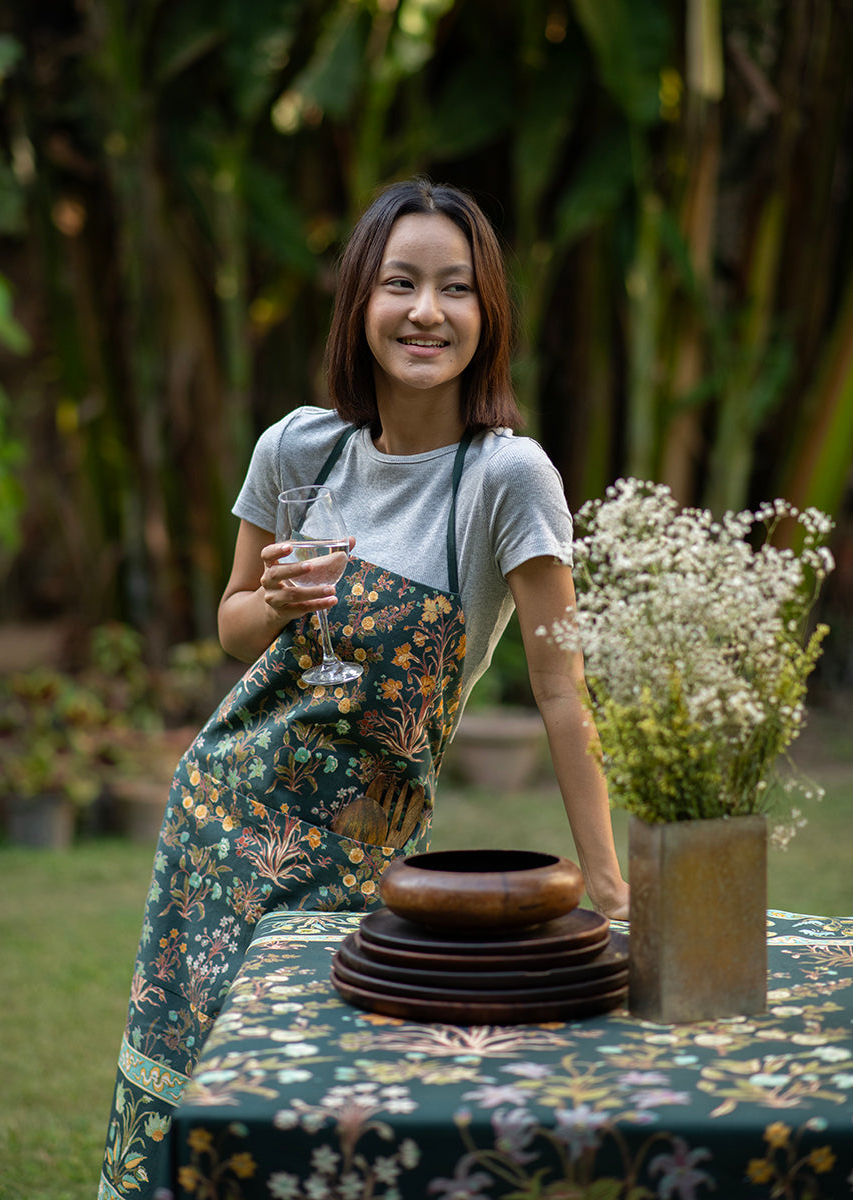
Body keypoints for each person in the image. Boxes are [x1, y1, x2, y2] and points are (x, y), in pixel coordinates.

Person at [98, 177, 629, 1200]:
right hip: (221, 822)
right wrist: (279, 602)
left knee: (328, 1112)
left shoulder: (506, 479)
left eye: (456, 289)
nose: (426, 311)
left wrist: (607, 887)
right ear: (360, 304)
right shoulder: (298, 446)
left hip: (363, 842)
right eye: (400, 283)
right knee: (189, 1085)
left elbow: (564, 694)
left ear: (488, 316)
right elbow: (231, 628)